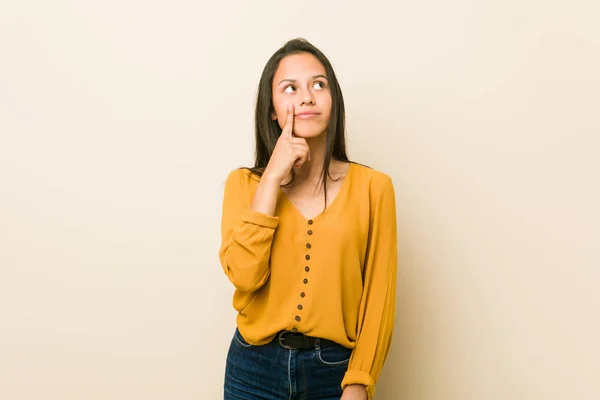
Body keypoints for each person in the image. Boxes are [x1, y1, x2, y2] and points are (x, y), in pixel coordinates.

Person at [219, 38, 398, 400]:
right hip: (253, 369)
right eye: (290, 88)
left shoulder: (374, 188)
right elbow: (244, 275)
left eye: (319, 84)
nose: (307, 97)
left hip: (334, 373)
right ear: (271, 109)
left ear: (334, 102)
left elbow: (379, 297)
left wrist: (360, 381)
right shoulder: (244, 184)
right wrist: (271, 179)